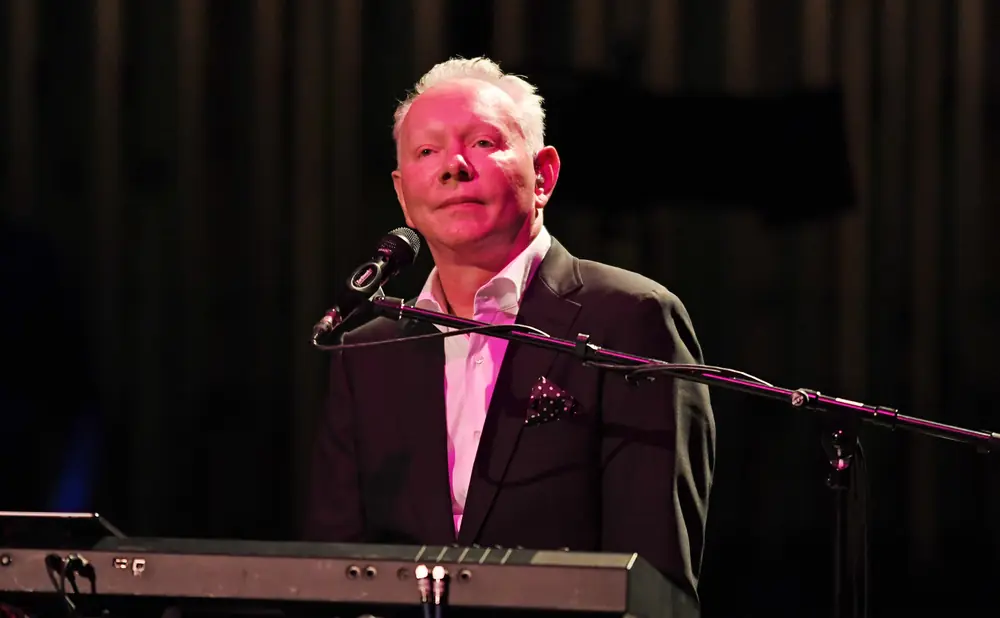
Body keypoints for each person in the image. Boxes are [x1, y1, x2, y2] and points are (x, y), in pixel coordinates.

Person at [303, 57, 716, 601]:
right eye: (427, 152)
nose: (452, 166)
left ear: (543, 174)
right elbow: (334, 574)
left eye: (481, 143)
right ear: (404, 195)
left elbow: (653, 574)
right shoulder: (367, 351)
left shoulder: (631, 317)